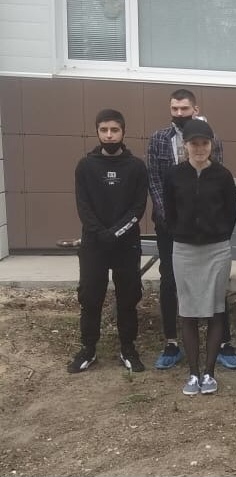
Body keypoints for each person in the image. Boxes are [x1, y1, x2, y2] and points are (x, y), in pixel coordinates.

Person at [146, 88, 236, 371]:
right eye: (174, 109)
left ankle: (223, 344)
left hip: (211, 234)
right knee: (170, 281)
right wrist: (171, 222)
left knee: (216, 288)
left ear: (195, 109)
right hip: (173, 226)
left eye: (184, 109)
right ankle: (171, 343)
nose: (179, 113)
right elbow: (155, 180)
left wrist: (217, 230)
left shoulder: (213, 140)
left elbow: (220, 189)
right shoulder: (159, 139)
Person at [68, 109, 148, 374]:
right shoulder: (85, 166)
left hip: (126, 244)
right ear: (97, 132)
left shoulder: (136, 167)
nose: (109, 135)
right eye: (104, 130)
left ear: (123, 132)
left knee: (128, 297)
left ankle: (128, 348)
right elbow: (83, 207)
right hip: (94, 244)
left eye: (114, 130)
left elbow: (138, 208)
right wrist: (101, 234)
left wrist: (116, 233)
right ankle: (88, 349)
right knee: (90, 297)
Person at [163, 119, 236, 396]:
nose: (199, 148)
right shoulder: (174, 175)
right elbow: (168, 210)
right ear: (185, 145)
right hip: (184, 250)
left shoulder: (223, 175)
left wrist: (217, 233)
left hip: (216, 250)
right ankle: (193, 374)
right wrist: (180, 232)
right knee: (188, 311)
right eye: (194, 143)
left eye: (204, 143)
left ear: (211, 145)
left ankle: (209, 373)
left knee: (216, 310)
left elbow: (231, 213)